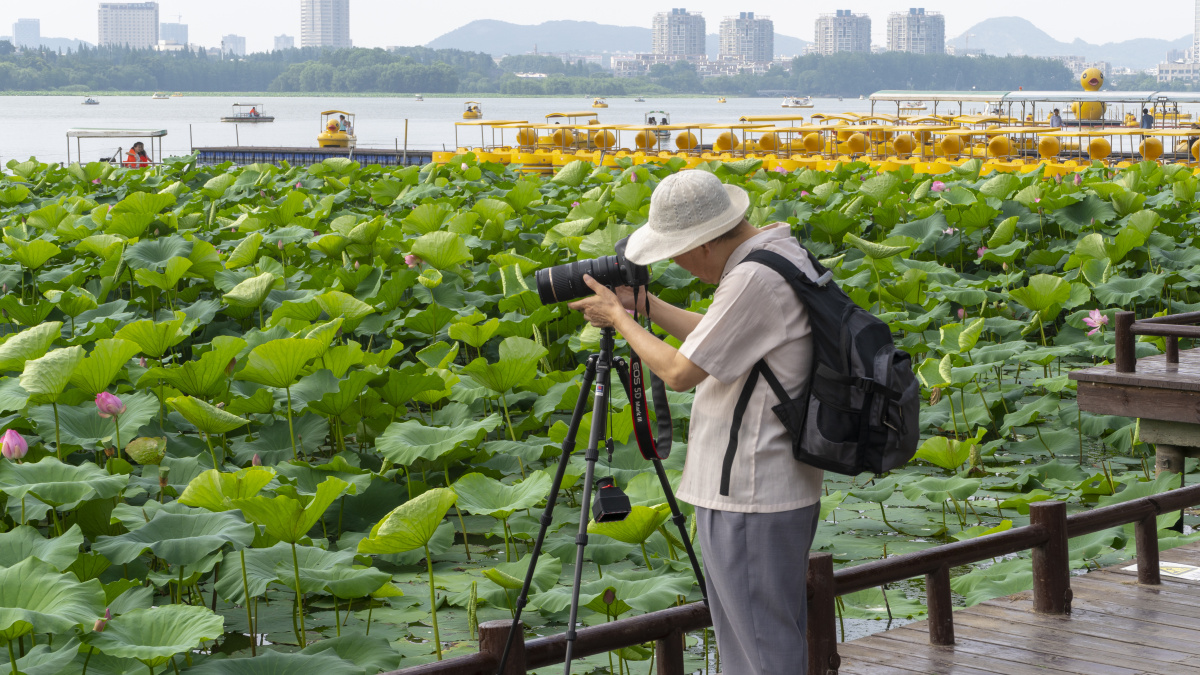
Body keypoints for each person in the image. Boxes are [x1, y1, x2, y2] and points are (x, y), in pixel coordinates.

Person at [568, 169, 823, 675]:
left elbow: (682, 372)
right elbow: (714, 336)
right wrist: (644, 306)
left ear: (703, 242)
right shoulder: (780, 256)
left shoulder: (754, 278)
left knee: (760, 648)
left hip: (749, 491)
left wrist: (619, 320)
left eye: (677, 252)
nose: (678, 265)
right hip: (770, 485)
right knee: (760, 635)